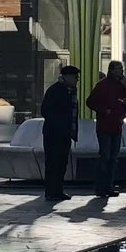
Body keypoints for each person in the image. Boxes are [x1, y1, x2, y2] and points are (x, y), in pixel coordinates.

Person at [87, 60, 126, 200]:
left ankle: (109, 186)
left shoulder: (122, 85)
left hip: (116, 125)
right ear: (112, 70)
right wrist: (104, 110)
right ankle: (101, 187)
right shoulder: (102, 85)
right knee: (105, 157)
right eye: (119, 68)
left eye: (122, 68)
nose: (122, 71)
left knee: (113, 158)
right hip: (105, 125)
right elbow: (90, 101)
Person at [39, 64, 79, 200]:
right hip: (53, 133)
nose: (77, 79)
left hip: (65, 133)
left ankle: (58, 190)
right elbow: (45, 110)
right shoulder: (55, 90)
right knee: (52, 163)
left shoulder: (71, 91)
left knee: (62, 163)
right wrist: (59, 122)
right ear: (66, 77)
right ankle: (51, 191)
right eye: (75, 77)